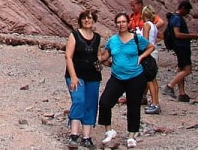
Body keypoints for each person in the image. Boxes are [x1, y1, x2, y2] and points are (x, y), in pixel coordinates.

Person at [97, 12, 154, 149]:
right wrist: (95, 47)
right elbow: (103, 57)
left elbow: (151, 46)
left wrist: (141, 57)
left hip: (135, 77)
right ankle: (109, 131)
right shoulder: (113, 40)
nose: (121, 24)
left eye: (123, 22)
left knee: (133, 106)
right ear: (116, 24)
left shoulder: (136, 38)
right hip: (117, 77)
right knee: (104, 102)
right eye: (118, 22)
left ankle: (131, 136)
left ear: (128, 23)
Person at [64, 9, 103, 149]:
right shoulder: (74, 35)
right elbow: (68, 56)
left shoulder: (97, 37)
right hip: (76, 74)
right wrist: (73, 77)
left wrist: (101, 64)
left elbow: (98, 55)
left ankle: (87, 137)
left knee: (91, 104)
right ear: (80, 20)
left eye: (90, 18)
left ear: (94, 21)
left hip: (93, 76)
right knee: (79, 100)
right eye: (85, 18)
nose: (87, 20)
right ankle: (74, 135)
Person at [163, 0, 198, 103]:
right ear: (182, 8)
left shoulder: (173, 18)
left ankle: (182, 94)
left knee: (181, 69)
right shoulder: (177, 19)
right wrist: (192, 36)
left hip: (178, 47)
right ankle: (170, 86)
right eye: (187, 10)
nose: (187, 13)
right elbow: (177, 34)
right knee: (187, 70)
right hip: (182, 47)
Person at [141, 6, 161, 115]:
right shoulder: (154, 26)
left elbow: (145, 40)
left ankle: (154, 104)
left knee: (149, 79)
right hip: (155, 52)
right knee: (153, 79)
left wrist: (142, 54)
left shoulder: (146, 25)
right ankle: (156, 102)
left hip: (149, 52)